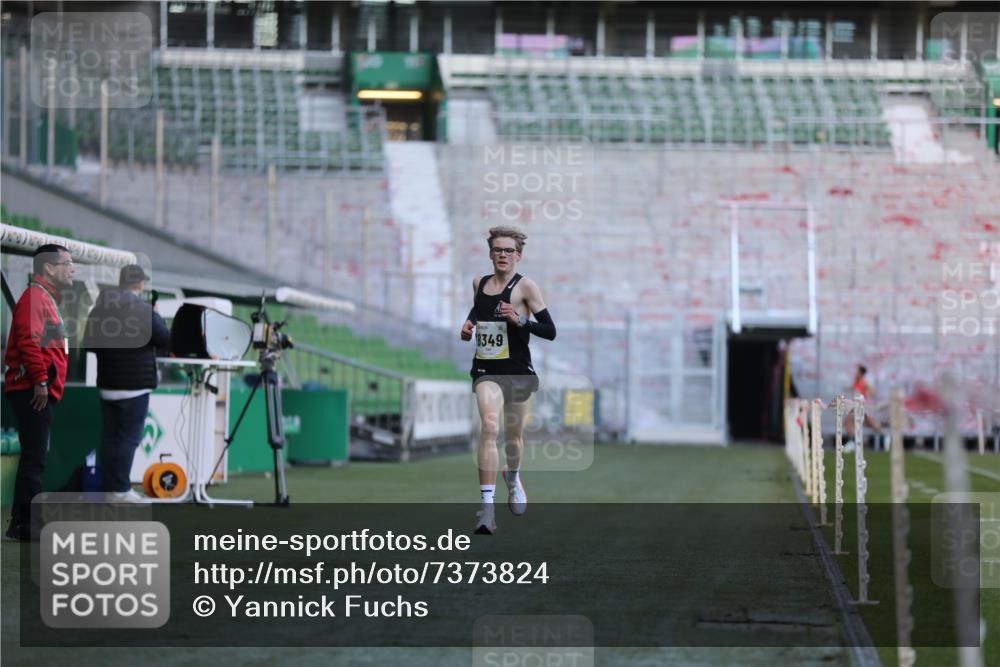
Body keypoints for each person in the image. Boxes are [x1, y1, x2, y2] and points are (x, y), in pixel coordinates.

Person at [460, 226, 556, 535]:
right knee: (490, 427)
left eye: (508, 250)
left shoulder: (526, 287)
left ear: (519, 255)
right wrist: (468, 324)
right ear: (490, 253)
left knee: (513, 438)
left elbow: (550, 331)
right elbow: (478, 310)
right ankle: (487, 511)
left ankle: (512, 479)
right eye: (497, 250)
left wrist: (519, 320)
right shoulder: (479, 283)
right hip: (486, 369)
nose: (503, 255)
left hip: (517, 370)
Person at [4, 244, 74, 540]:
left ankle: (21, 524)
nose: (72, 269)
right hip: (33, 389)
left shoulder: (43, 298)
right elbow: (28, 340)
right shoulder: (36, 297)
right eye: (67, 263)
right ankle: (28, 525)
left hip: (36, 387)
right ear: (49, 268)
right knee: (35, 459)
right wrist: (41, 380)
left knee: (35, 457)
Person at [83, 265, 170, 502]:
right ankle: (120, 490)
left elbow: (89, 343)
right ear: (139, 284)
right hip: (135, 386)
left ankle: (110, 489)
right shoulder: (142, 309)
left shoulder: (100, 309)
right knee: (128, 439)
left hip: (108, 383)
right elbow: (164, 338)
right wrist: (156, 315)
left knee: (110, 437)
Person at [844, 364, 883, 452]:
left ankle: (883, 439)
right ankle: (852, 442)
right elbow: (854, 390)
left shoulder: (864, 382)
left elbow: (872, 391)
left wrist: (869, 393)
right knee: (848, 421)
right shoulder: (856, 382)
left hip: (863, 408)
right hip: (857, 408)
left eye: (857, 371)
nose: (855, 373)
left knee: (872, 423)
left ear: (861, 373)